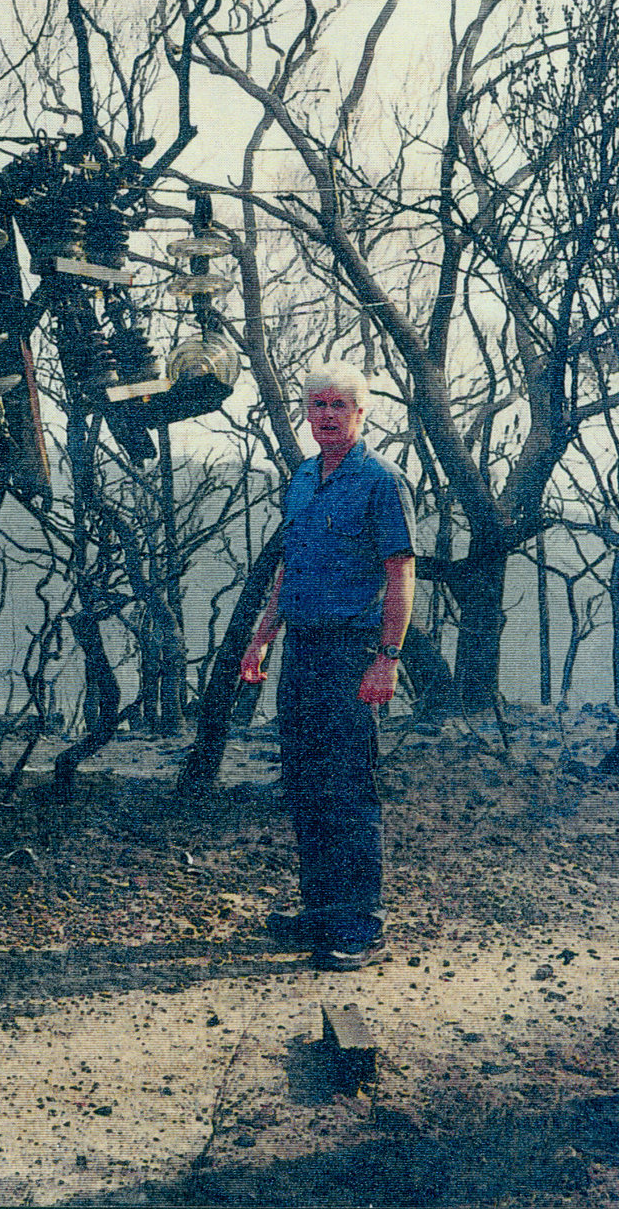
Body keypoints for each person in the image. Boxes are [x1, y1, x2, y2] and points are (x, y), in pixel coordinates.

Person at [240, 362, 416, 971]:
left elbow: (400, 572)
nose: (326, 416)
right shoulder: (303, 479)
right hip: (303, 649)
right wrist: (262, 638)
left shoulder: (380, 480)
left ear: (361, 412)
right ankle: (318, 911)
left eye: (339, 405)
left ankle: (361, 925)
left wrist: (388, 658)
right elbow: (290, 568)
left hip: (352, 649)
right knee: (305, 782)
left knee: (348, 787)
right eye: (317, 405)